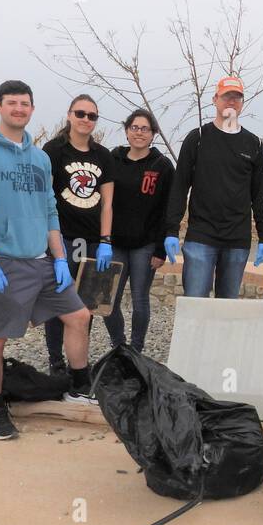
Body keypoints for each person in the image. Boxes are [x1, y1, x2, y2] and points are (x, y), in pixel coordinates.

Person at [0, 80, 94, 440]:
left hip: (41, 260)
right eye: (12, 102)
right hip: (0, 261)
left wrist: (60, 259)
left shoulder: (40, 157)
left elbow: (49, 210)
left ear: (33, 109)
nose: (19, 108)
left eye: (25, 103)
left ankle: (79, 388)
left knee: (79, 316)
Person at [162, 76, 263, 297]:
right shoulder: (198, 139)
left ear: (242, 102)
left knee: (226, 310)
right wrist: (171, 230)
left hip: (237, 240)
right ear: (215, 99)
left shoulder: (254, 144)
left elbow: (259, 194)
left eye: (236, 98)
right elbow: (179, 187)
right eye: (226, 97)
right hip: (201, 237)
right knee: (195, 305)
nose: (231, 102)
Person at [41, 94, 117, 376]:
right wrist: (51, 240)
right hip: (63, 238)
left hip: (93, 242)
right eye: (81, 113)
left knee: (87, 304)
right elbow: (45, 198)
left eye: (92, 116)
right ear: (70, 115)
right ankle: (55, 360)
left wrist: (106, 240)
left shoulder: (103, 156)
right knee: (59, 301)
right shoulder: (54, 150)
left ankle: (79, 363)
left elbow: (107, 203)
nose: (86, 119)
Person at [105, 108, 174, 351]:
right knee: (108, 300)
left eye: (145, 128)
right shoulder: (112, 160)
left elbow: (167, 210)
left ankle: (135, 350)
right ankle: (119, 346)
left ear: (153, 133)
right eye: (134, 127)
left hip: (145, 245)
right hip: (114, 244)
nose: (139, 133)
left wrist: (160, 249)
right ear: (126, 131)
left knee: (140, 300)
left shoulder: (163, 166)